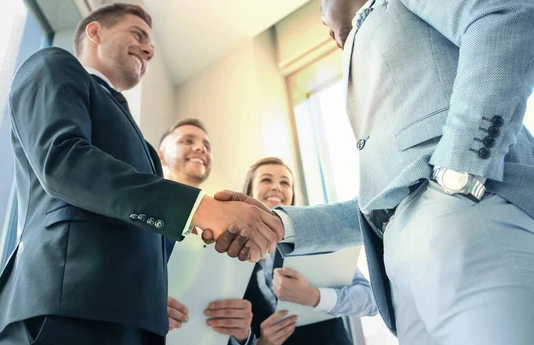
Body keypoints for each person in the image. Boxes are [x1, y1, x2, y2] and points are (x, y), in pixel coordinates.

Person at [209, 0, 534, 344]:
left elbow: (502, 16)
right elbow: (380, 201)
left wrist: (459, 172)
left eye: (322, 14)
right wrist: (281, 224)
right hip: (401, 277)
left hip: (469, 213)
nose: (326, 27)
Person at [0, 4, 281, 345]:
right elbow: (64, 162)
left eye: (151, 44)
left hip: (133, 322)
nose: (148, 48)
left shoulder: (144, 148)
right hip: (67, 305)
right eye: (138, 34)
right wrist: (198, 208)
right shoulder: (54, 65)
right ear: (95, 31)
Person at [240, 158, 376, 345]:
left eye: (285, 183)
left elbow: (370, 299)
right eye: (266, 180)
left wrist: (315, 297)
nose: (276, 187)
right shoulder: (232, 259)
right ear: (249, 192)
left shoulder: (318, 239)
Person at [156, 118, 254, 345]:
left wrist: (242, 335)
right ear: (161, 155)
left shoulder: (226, 235)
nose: (200, 148)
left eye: (207, 146)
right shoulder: (136, 218)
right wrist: (141, 308)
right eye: (187, 141)